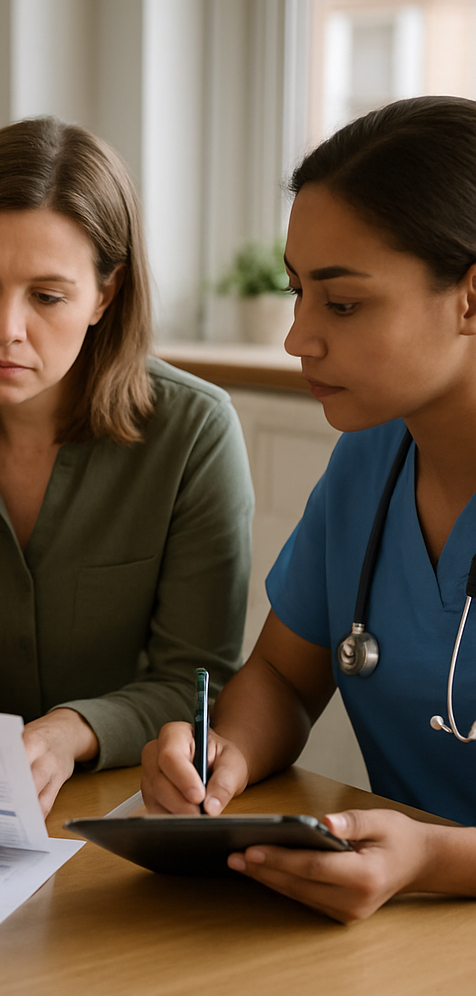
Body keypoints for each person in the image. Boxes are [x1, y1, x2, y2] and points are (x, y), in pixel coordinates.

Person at [142, 95, 476, 922]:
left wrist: (435, 858)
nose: (297, 338)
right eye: (297, 294)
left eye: (343, 302)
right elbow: (286, 679)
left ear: (470, 298)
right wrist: (221, 754)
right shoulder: (369, 460)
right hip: (407, 931)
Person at [0, 117, 254, 814]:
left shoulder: (194, 432)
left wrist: (72, 731)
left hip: (117, 805)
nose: (5, 328)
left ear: (104, 296)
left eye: (47, 296)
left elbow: (197, 685)